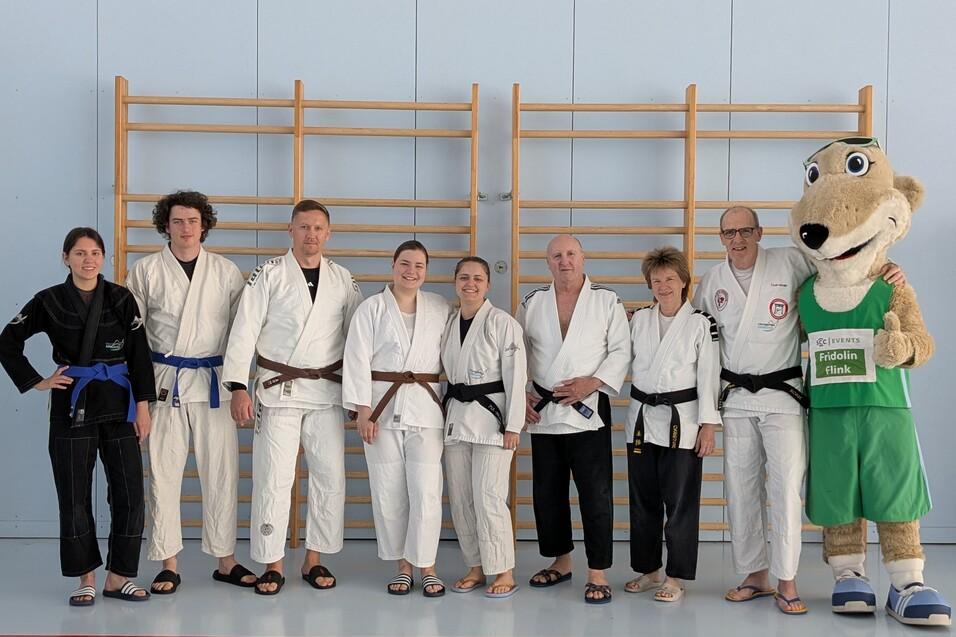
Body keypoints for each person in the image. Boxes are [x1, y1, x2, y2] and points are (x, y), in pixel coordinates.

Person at [693, 205, 904, 615]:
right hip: (735, 398)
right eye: (728, 233)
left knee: (785, 489)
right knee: (740, 489)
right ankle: (755, 574)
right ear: (720, 238)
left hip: (783, 395)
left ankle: (787, 580)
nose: (736, 239)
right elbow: (699, 338)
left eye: (744, 231)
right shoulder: (712, 281)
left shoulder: (790, 261)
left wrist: (885, 267)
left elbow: (842, 267)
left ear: (759, 232)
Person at [0, 227, 155, 605]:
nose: (89, 260)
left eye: (95, 253)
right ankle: (85, 577)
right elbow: (8, 341)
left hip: (120, 404)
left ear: (104, 258)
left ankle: (119, 577)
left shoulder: (120, 297)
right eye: (80, 253)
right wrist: (38, 381)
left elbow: (138, 354)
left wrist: (145, 407)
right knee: (74, 496)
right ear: (65, 257)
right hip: (73, 405)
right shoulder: (49, 301)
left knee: (131, 492)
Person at [221, 199, 362, 595]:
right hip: (276, 389)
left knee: (329, 475)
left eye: (318, 228)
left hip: (327, 391)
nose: (311, 235)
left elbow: (356, 341)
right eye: (304, 227)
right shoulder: (268, 274)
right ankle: (272, 562)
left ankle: (314, 559)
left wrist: (358, 395)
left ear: (328, 233)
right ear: (291, 231)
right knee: (273, 478)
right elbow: (244, 330)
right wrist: (236, 386)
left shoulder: (343, 279)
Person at [125, 191, 255, 594]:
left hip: (215, 381)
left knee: (222, 473)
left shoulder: (226, 272)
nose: (185, 228)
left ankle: (226, 559)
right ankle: (169, 562)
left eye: (193, 221)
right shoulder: (145, 271)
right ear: (166, 224)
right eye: (177, 221)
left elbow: (242, 335)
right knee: (163, 474)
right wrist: (140, 400)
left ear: (204, 225)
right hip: (164, 382)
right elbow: (132, 338)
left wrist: (239, 386)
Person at [516, 234, 630, 605]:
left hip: (588, 410)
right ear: (547, 262)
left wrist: (592, 382)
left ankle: (597, 571)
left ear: (583, 258)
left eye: (570, 254)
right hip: (545, 410)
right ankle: (561, 560)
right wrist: (522, 394)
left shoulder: (606, 300)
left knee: (595, 494)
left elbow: (620, 350)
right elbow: (517, 353)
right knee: (547, 493)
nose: (564, 261)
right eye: (556, 256)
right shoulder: (533, 302)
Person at [343, 240, 452, 597]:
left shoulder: (439, 307)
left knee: (427, 490)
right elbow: (356, 359)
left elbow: (453, 356)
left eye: (419, 266)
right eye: (405, 264)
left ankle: (428, 566)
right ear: (393, 265)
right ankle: (402, 566)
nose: (411, 272)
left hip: (426, 408)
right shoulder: (371, 309)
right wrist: (362, 411)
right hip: (380, 410)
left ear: (426, 270)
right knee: (388, 489)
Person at [621, 247, 719, 603]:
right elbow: (618, 357)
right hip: (642, 419)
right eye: (656, 279)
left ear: (683, 282)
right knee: (642, 499)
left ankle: (676, 576)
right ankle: (649, 570)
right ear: (649, 283)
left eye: (670, 279)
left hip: (685, 421)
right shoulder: (638, 320)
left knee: (680, 503)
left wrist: (709, 425)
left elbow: (710, 376)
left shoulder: (701, 323)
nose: (663, 285)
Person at [442, 257, 527, 599]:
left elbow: (517, 375)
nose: (470, 284)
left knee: (489, 497)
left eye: (478, 278)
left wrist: (515, 424)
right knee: (462, 498)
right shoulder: (449, 323)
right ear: (455, 282)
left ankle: (503, 569)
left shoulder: (502, 322)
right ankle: (475, 566)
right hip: (456, 419)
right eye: (464, 277)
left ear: (488, 285)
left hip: (494, 421)